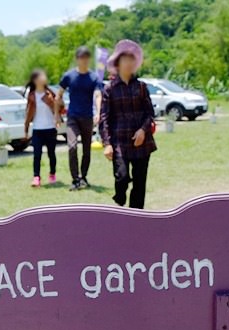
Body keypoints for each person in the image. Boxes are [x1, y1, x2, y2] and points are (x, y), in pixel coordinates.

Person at [100, 39, 156, 210]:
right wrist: (107, 144)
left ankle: (137, 219)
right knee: (122, 177)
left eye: (133, 59)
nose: (130, 63)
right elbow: (104, 118)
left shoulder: (141, 87)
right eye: (126, 59)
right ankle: (119, 200)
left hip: (142, 142)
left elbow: (150, 114)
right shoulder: (109, 89)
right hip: (119, 142)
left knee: (139, 185)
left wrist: (143, 130)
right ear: (118, 63)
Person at [56, 46, 103, 191]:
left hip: (88, 117)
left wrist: (98, 112)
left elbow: (97, 95)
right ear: (77, 59)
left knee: (86, 150)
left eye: (87, 58)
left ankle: (84, 177)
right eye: (81, 57)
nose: (84, 60)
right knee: (72, 147)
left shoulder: (94, 77)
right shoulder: (69, 76)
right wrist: (57, 114)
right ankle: (75, 179)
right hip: (73, 118)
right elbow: (58, 95)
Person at [23, 69, 58, 188]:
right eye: (41, 76)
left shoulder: (50, 94)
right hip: (37, 129)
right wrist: (26, 129)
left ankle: (52, 174)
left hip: (50, 128)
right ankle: (36, 177)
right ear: (35, 80)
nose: (44, 78)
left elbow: (59, 108)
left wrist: (57, 118)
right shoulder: (32, 95)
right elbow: (28, 112)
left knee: (51, 154)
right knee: (36, 154)